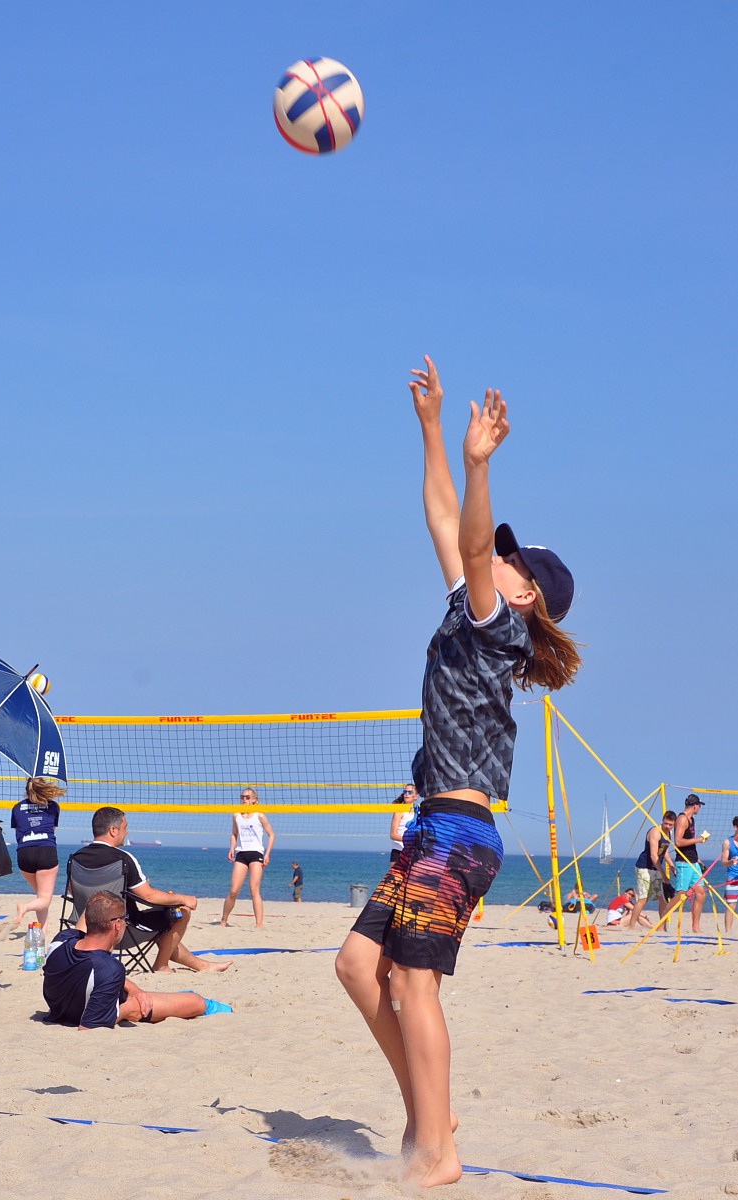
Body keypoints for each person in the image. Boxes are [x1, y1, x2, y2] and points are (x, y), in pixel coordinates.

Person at [335, 356, 581, 1189]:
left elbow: (471, 538)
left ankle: (436, 1151)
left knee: (414, 983)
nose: (495, 559)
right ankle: (430, 1117)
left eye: (511, 561)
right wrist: (432, 429)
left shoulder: (496, 626)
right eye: (500, 557)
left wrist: (480, 466)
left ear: (525, 595)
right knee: (356, 967)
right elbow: (444, 520)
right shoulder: (469, 609)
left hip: (459, 832)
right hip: (435, 828)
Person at [73, 807, 231, 974]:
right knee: (181, 912)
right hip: (122, 930)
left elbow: (74, 891)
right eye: (125, 827)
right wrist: (183, 899)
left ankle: (202, 965)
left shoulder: (76, 858)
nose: (127, 832)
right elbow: (148, 896)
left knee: (164, 928)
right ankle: (161, 965)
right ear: (113, 830)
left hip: (86, 930)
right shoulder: (123, 859)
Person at [43, 890, 232, 1028]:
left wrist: (135, 989)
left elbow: (89, 913)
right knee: (196, 1002)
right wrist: (128, 1009)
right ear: (117, 925)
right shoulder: (109, 970)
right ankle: (207, 1005)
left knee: (95, 914)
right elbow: (90, 1025)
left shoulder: (61, 940)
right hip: (97, 1006)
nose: (126, 923)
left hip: (61, 1007)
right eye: (124, 919)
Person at [12, 777, 65, 935]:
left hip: (24, 853)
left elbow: (18, 833)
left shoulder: (17, 808)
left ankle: (41, 936)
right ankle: (25, 907)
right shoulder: (53, 806)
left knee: (41, 898)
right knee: (44, 899)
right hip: (45, 850)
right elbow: (51, 830)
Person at [220, 788, 274, 928]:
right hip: (241, 853)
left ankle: (259, 924)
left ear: (254, 799)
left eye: (247, 797)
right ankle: (223, 920)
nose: (244, 799)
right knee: (233, 891)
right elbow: (234, 834)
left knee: (254, 890)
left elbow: (271, 835)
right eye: (242, 797)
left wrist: (267, 854)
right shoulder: (236, 815)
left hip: (256, 853)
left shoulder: (259, 815)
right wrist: (231, 848)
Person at [627, 811, 677, 930]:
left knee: (662, 899)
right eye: (666, 823)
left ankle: (661, 928)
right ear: (662, 820)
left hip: (656, 867)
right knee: (643, 899)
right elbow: (654, 856)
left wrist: (671, 865)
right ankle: (631, 926)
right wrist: (663, 874)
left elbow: (664, 851)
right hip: (644, 867)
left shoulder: (669, 833)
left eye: (670, 825)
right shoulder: (655, 832)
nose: (667, 826)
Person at [673, 793, 710, 934]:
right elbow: (678, 842)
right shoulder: (682, 819)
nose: (699, 808)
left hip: (693, 861)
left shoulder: (691, 819)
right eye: (699, 806)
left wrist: (699, 861)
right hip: (683, 862)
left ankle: (695, 927)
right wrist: (698, 840)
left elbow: (690, 844)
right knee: (680, 896)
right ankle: (662, 920)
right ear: (695, 806)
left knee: (701, 893)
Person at [390, 786, 418, 863]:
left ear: (416, 796)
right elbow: (393, 835)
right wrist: (409, 840)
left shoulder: (419, 811)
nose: (406, 794)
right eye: (405, 792)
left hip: (414, 852)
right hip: (399, 851)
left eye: (410, 792)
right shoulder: (399, 811)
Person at [720, 816, 738, 934]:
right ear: (735, 827)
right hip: (732, 877)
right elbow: (723, 862)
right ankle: (728, 933)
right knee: (731, 906)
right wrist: (731, 862)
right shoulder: (728, 842)